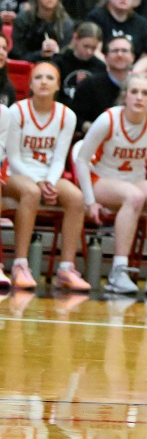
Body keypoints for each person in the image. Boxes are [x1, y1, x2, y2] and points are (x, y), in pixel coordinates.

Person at [74, 73, 147, 295]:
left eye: (145, 93)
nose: (139, 97)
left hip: (135, 180)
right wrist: (89, 201)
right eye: (134, 92)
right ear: (124, 96)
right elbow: (81, 158)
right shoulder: (109, 119)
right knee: (134, 196)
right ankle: (118, 271)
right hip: (102, 178)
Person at [0, 63, 87, 291]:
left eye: (50, 77)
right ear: (30, 84)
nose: (44, 81)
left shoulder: (67, 115)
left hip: (48, 173)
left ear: (58, 85)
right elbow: (13, 157)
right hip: (16, 173)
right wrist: (39, 182)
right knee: (31, 192)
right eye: (38, 77)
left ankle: (66, 268)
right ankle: (20, 264)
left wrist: (49, 180)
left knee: (76, 197)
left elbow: (59, 158)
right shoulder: (16, 111)